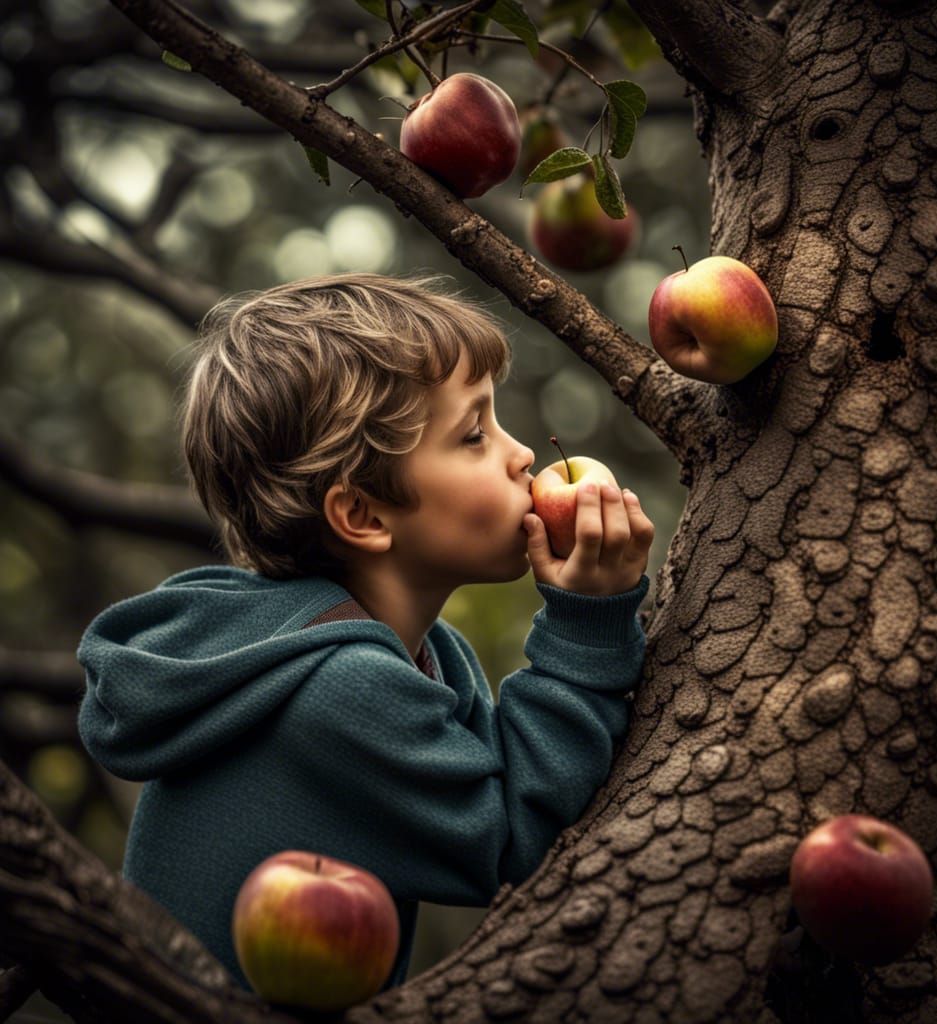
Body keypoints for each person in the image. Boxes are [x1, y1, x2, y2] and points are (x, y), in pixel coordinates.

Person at [77, 272, 655, 993]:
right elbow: (511, 840)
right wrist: (586, 627)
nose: (520, 456)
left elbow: (505, 786)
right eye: (473, 434)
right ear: (365, 517)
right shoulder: (341, 686)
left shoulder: (419, 653)